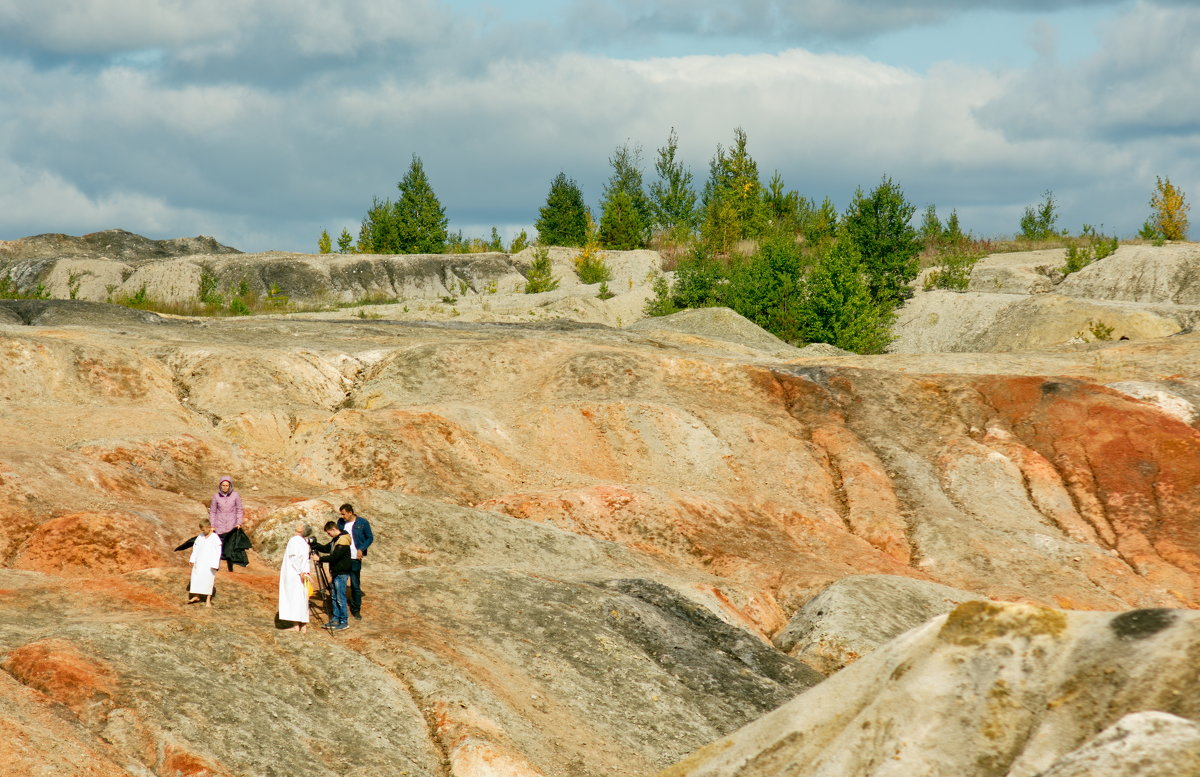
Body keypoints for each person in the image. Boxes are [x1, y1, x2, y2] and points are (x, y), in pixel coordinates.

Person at [311, 520, 353, 631]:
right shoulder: (336, 539)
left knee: (340, 598)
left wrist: (320, 559)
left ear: (334, 529)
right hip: (336, 573)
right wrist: (314, 544)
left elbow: (334, 557)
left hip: (341, 573)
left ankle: (343, 621)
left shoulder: (343, 541)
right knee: (334, 597)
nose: (328, 535)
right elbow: (326, 548)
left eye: (329, 533)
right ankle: (335, 619)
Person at [336, 503, 374, 620]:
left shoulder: (362, 522)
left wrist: (361, 549)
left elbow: (370, 537)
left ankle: (356, 609)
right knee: (339, 584)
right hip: (343, 558)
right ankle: (339, 610)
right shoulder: (341, 523)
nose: (342, 516)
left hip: (355, 559)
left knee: (355, 585)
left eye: (343, 514)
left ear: (350, 512)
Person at [277, 522, 312, 632]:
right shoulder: (305, 543)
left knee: (293, 597)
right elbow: (306, 559)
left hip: (293, 572)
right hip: (301, 572)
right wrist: (305, 572)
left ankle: (296, 625)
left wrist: (300, 571)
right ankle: (303, 625)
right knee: (302, 597)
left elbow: (293, 557)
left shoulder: (294, 540)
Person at [208, 477, 245, 572]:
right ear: (220, 486)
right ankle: (216, 567)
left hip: (231, 526)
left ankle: (230, 569)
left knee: (230, 549)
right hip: (219, 526)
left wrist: (239, 523)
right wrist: (212, 525)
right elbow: (213, 512)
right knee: (218, 547)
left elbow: (239, 510)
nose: (225, 487)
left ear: (230, 486)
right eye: (223, 485)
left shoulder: (235, 495)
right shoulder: (216, 496)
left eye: (227, 485)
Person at [188, 519, 222, 607]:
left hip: (209, 564)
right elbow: (195, 548)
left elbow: (218, 552)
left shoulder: (214, 537)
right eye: (201, 530)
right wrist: (192, 559)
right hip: (199, 562)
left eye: (203, 529)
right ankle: (197, 596)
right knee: (196, 578)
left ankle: (208, 600)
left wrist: (215, 564)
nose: (202, 531)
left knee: (208, 580)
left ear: (209, 527)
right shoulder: (200, 536)